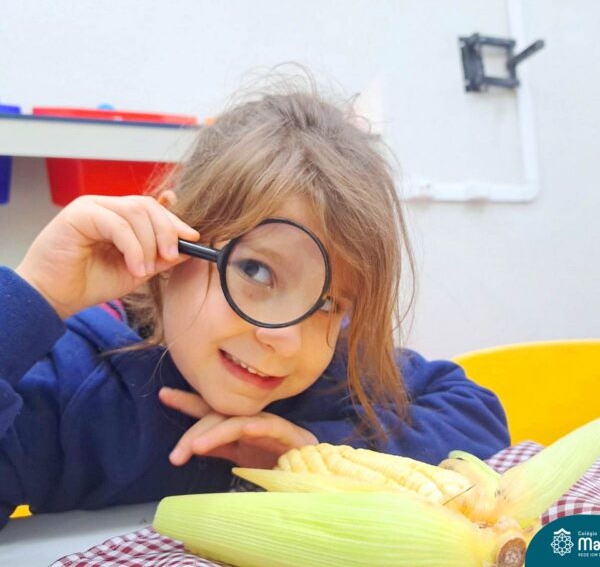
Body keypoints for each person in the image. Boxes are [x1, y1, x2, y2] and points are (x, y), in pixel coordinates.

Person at [0, 73, 509, 530]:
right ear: (173, 238)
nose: (284, 340)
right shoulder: (75, 386)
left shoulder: (338, 373)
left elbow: (478, 414)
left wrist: (317, 454)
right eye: (256, 271)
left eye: (328, 303)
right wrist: (36, 294)